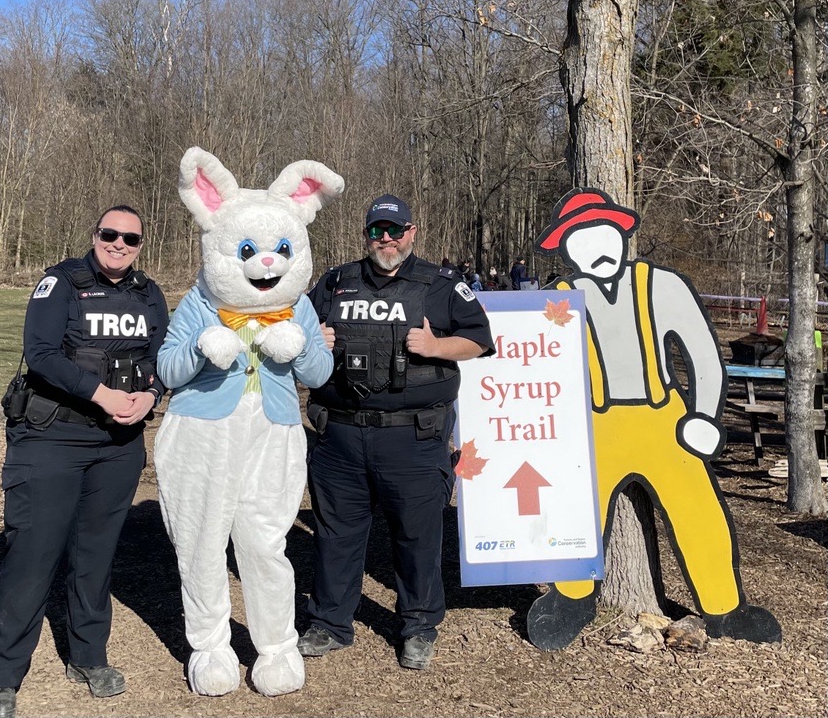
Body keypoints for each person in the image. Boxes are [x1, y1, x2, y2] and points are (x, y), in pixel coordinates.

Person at [526, 188, 780, 650]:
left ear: (622, 234)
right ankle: (572, 598)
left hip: (664, 419)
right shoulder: (557, 299)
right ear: (566, 248)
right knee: (574, 506)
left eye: (603, 235)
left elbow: (702, 351)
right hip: (595, 423)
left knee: (696, 506)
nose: (596, 249)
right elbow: (531, 362)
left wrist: (704, 413)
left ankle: (724, 605)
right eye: (580, 241)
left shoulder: (661, 285)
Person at [0, 205, 169, 718]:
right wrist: (100, 393)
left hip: (117, 445)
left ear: (139, 245)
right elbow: (40, 353)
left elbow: (160, 357)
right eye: (110, 235)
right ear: (95, 235)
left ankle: (87, 656)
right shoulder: (60, 283)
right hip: (52, 439)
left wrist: (151, 394)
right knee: (32, 555)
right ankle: (1, 677)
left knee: (95, 556)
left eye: (130, 239)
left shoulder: (149, 294)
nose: (119, 245)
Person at [299, 194, 494, 671]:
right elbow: (294, 336)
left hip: (414, 438)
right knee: (335, 534)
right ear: (366, 234)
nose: (386, 240)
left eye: (395, 231)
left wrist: (434, 345)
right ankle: (330, 623)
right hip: (339, 437)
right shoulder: (335, 282)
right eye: (377, 231)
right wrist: (312, 341)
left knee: (417, 538)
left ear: (412, 233)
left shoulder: (442, 285)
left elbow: (480, 340)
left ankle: (419, 626)